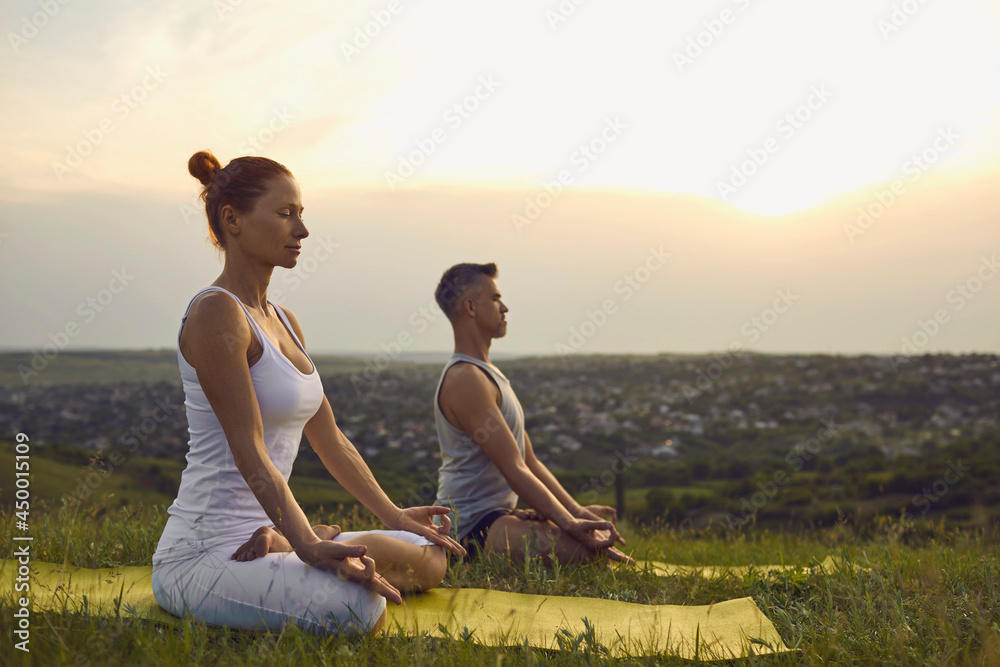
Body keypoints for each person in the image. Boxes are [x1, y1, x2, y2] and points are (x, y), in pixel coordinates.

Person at [151, 151, 465, 638]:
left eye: (301, 214)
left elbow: (330, 439)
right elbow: (251, 450)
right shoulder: (217, 314)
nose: (302, 230)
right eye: (285, 214)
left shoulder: (284, 320)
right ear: (232, 220)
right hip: (204, 557)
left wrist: (394, 514)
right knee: (357, 607)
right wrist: (308, 547)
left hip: (275, 532)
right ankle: (295, 542)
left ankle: (283, 540)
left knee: (430, 557)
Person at [432, 262, 632, 565]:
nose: (505, 307)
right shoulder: (466, 379)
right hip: (466, 528)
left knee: (593, 550)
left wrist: (576, 512)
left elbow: (529, 460)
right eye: (496, 298)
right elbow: (514, 469)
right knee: (589, 556)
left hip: (497, 516)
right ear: (470, 306)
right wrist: (569, 525)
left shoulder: (488, 375)